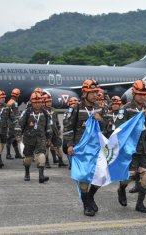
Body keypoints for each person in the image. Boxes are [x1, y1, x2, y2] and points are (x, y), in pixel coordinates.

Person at [63, 79, 105, 216]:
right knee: (84, 178)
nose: (94, 95)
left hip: (97, 149)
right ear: (84, 93)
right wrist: (69, 145)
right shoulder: (76, 108)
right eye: (91, 92)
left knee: (101, 177)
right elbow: (68, 127)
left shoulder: (100, 108)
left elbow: (109, 128)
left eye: (96, 92)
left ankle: (90, 196)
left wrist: (101, 120)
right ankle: (86, 204)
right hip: (81, 149)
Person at [116, 80, 146, 213]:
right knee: (128, 177)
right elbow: (118, 128)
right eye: (139, 94)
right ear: (133, 94)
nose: (142, 97)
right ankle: (121, 189)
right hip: (130, 148)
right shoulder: (125, 109)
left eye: (144, 94)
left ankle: (140, 204)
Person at [15, 92, 52, 182]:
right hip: (28, 139)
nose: (38, 104)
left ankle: (41, 176)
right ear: (32, 102)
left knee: (42, 155)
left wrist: (49, 138)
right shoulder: (27, 112)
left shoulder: (45, 112)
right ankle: (27, 173)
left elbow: (48, 126)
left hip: (41, 138)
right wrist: (18, 136)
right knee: (28, 159)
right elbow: (19, 125)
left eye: (39, 102)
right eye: (35, 102)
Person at [42, 93, 68, 168]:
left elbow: (56, 121)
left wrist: (59, 128)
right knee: (46, 147)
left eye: (50, 102)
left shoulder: (54, 110)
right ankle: (46, 162)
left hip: (54, 131)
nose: (49, 103)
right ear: (44, 102)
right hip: (46, 132)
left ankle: (61, 161)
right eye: (47, 102)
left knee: (58, 146)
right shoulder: (42, 111)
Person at [0, 90, 16, 168]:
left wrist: (17, 125)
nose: (3, 99)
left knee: (2, 145)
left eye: (4, 98)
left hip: (4, 130)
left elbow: (12, 117)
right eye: (1, 98)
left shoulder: (7, 107)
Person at [6, 88, 22, 160]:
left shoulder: (9, 102)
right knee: (10, 138)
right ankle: (8, 154)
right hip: (12, 123)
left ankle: (17, 154)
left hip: (9, 122)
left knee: (14, 138)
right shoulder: (14, 103)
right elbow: (15, 114)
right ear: (17, 95)